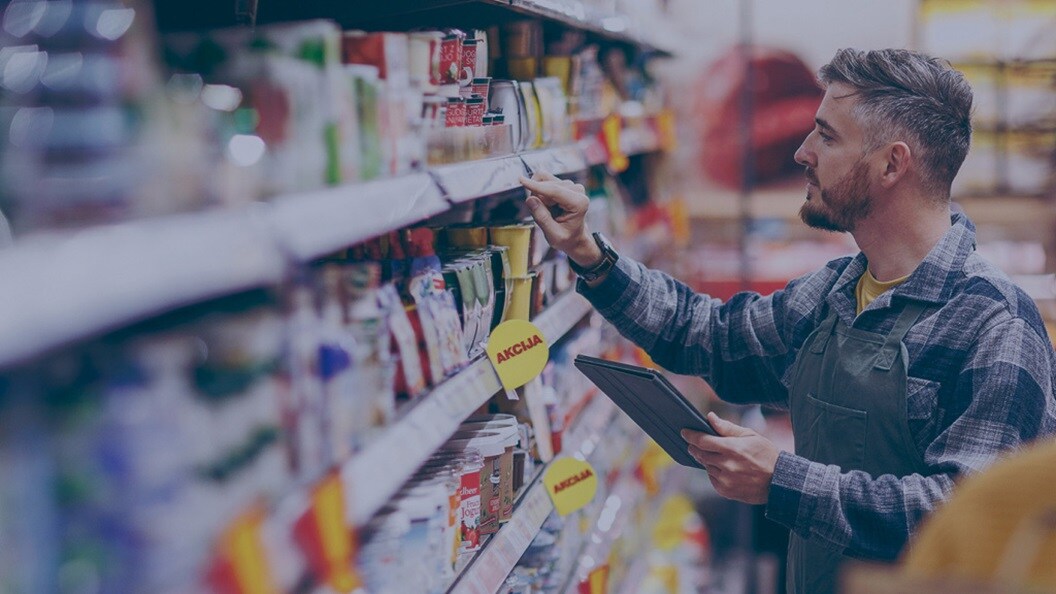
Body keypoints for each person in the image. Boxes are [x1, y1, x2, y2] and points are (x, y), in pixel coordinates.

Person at [519, 48, 1056, 594]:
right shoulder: (837, 291)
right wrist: (591, 254)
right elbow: (713, 338)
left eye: (827, 136)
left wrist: (782, 480)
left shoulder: (996, 325)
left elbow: (966, 522)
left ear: (892, 164)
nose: (802, 153)